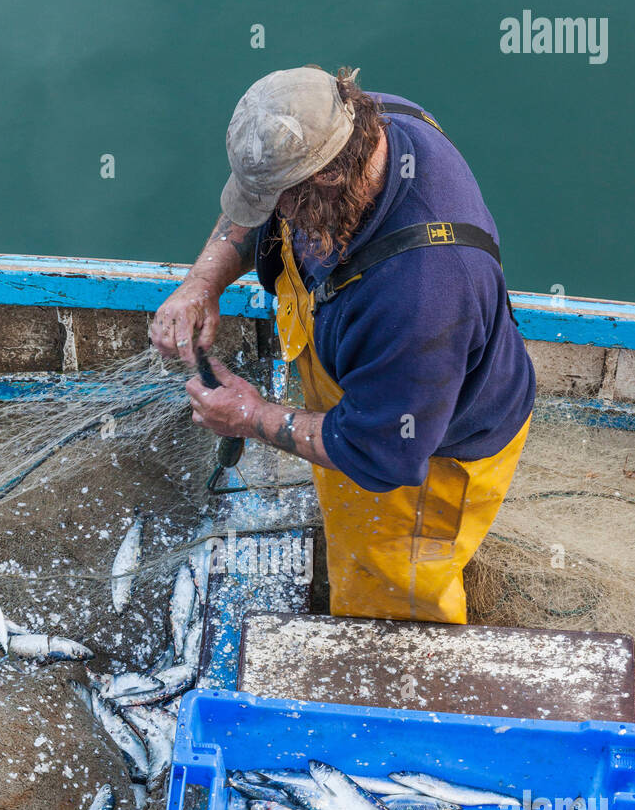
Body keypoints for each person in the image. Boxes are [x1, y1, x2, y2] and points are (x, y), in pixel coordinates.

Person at [151, 65, 535, 623]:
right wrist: (200, 284)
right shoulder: (351, 123)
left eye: (277, 203)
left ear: (326, 182)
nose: (273, 218)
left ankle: (394, 689)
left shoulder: (421, 296)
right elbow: (261, 215)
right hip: (379, 380)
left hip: (423, 450)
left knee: (390, 604)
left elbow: (380, 452)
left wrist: (251, 416)